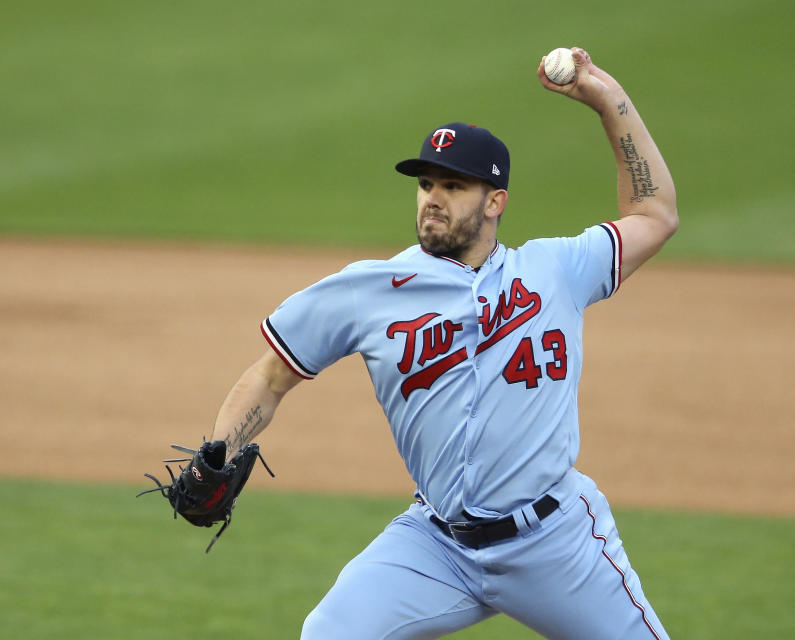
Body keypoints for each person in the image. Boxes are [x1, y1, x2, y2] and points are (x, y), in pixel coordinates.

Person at [208, 47, 677, 639]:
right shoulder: (368, 290)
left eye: (453, 185)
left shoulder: (557, 270)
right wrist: (217, 453)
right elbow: (271, 376)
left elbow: (655, 213)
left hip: (554, 544)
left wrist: (609, 100)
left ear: (495, 201)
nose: (432, 196)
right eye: (426, 182)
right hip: (438, 546)